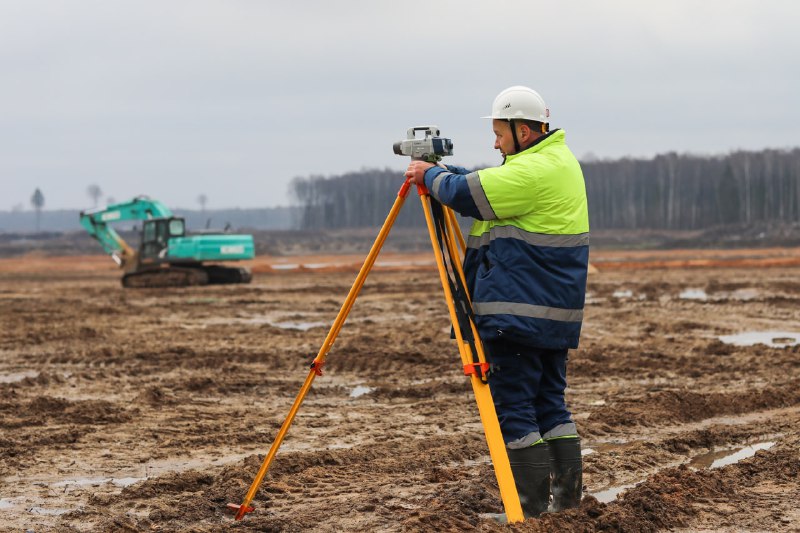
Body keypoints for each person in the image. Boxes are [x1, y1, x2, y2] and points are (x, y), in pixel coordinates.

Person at [405, 86, 589, 519]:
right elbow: (488, 186)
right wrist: (446, 172)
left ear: (523, 131)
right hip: (549, 317)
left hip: (516, 317)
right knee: (550, 405)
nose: (495, 143)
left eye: (499, 134)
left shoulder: (531, 173)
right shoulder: (557, 163)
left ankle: (526, 512)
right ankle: (565, 507)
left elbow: (469, 195)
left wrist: (427, 176)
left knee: (516, 410)